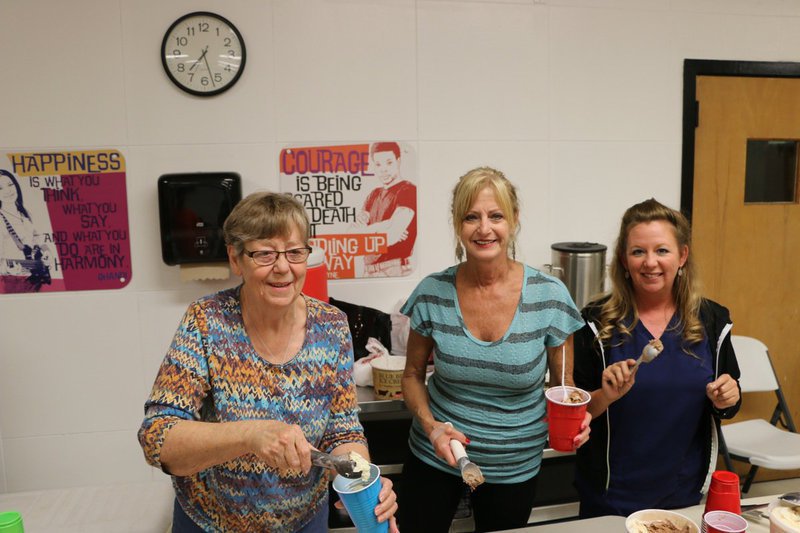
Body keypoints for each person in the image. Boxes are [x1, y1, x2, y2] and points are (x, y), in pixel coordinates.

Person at [138, 191, 398, 532]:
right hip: (212, 522)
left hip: (304, 521)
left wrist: (364, 478)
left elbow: (342, 430)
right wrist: (250, 435)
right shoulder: (207, 321)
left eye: (294, 252)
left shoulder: (332, 326)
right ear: (235, 259)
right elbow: (158, 437)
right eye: (264, 254)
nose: (282, 267)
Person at [397, 167, 591, 532]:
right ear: (458, 224)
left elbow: (564, 385)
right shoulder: (431, 292)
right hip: (437, 454)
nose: (484, 229)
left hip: (514, 465)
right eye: (472, 217)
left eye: (496, 216)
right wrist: (431, 425)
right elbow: (411, 375)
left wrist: (577, 421)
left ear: (513, 221)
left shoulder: (549, 297)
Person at [573, 198, 742, 518]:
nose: (650, 262)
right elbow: (577, 412)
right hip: (610, 497)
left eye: (661, 250)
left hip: (684, 494)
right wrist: (605, 395)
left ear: (683, 256)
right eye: (638, 251)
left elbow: (730, 401)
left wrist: (727, 397)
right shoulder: (596, 322)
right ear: (624, 259)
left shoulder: (712, 319)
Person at [354, 141, 417, 277]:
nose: (383, 169)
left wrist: (367, 233)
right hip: (368, 270)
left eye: (389, 163)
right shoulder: (373, 194)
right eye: (378, 164)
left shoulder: (408, 190)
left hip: (394, 268)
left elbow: (393, 235)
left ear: (398, 161)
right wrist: (386, 226)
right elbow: (352, 238)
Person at [0, 169, 51, 293]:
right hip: (13, 282)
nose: (8, 190)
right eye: (0, 188)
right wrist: (5, 269)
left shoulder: (24, 212)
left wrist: (46, 250)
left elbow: (36, 237)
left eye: (10, 184)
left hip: (34, 277)